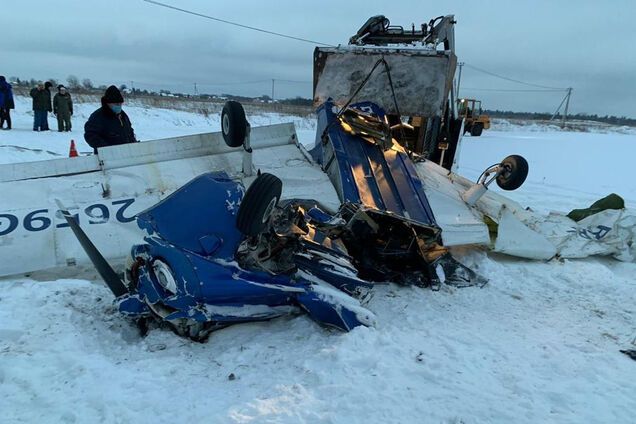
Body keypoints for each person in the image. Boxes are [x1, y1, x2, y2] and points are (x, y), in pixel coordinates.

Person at [84, 85, 138, 153]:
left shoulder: (123, 116)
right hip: (106, 157)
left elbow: (129, 131)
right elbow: (90, 136)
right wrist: (107, 148)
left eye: (120, 104)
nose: (119, 106)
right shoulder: (97, 116)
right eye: (116, 104)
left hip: (125, 154)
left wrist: (133, 143)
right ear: (107, 103)